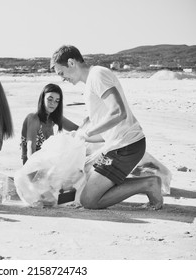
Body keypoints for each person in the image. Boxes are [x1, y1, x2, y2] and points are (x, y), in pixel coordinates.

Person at [50, 45, 163, 210]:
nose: (63, 78)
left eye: (61, 73)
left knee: (89, 200)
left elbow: (118, 112)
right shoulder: (91, 81)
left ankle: (149, 184)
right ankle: (147, 183)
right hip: (119, 145)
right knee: (87, 182)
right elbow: (107, 131)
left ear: (71, 62)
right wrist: (81, 135)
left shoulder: (97, 75)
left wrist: (87, 131)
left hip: (126, 147)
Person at [21, 83, 79, 164]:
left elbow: (79, 129)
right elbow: (31, 150)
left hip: (48, 162)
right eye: (50, 99)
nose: (53, 103)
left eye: (57, 101)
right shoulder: (33, 118)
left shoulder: (54, 117)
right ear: (42, 99)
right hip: (32, 165)